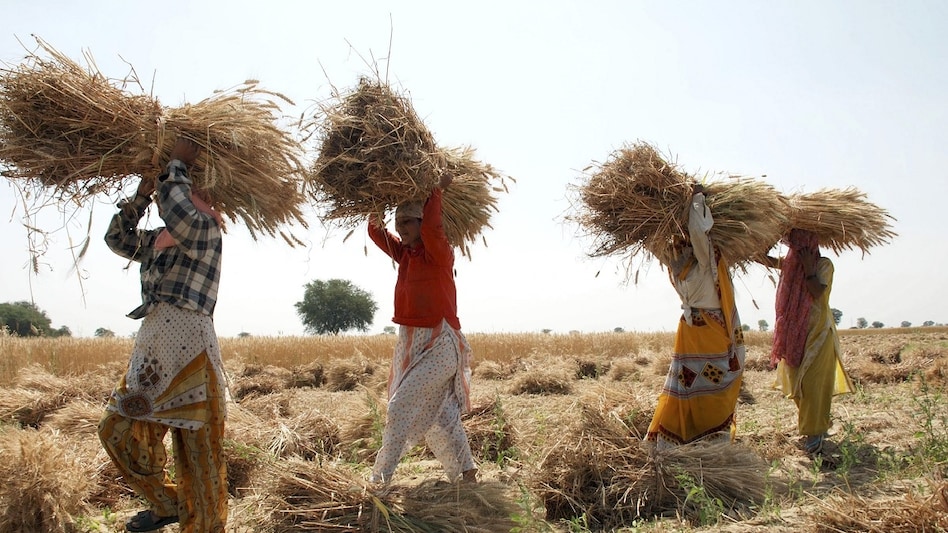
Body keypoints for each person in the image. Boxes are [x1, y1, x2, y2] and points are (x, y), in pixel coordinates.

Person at [98, 137, 229, 533]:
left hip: (192, 353)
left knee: (199, 455)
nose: (187, 191)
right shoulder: (158, 240)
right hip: (153, 350)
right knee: (116, 432)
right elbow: (116, 238)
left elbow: (179, 210)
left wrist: (175, 163)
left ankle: (204, 528)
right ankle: (168, 501)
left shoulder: (205, 229)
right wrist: (139, 196)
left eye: (194, 186)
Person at [366, 173, 477, 485]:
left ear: (422, 223)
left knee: (400, 405)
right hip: (412, 343)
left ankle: (380, 478)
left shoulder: (439, 253)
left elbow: (432, 227)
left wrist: (436, 191)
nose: (402, 229)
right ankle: (467, 473)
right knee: (441, 415)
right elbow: (376, 232)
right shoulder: (405, 255)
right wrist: (375, 200)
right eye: (399, 222)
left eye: (409, 222)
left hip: (441, 343)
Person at [645, 184, 746, 450]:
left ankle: (711, 438)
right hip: (690, 332)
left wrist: (697, 199)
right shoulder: (679, 263)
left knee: (712, 384)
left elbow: (699, 231)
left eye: (684, 236)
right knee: (685, 383)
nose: (681, 242)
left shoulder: (705, 257)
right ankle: (682, 437)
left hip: (712, 331)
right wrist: (645, 221)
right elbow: (654, 245)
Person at [762, 228, 853, 454]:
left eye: (804, 243)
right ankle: (816, 427)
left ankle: (814, 436)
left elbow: (817, 292)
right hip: (793, 335)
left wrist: (809, 268)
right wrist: (773, 237)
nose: (799, 249)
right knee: (798, 384)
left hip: (817, 335)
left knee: (813, 385)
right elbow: (760, 257)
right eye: (795, 244)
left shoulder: (824, 265)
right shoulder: (789, 265)